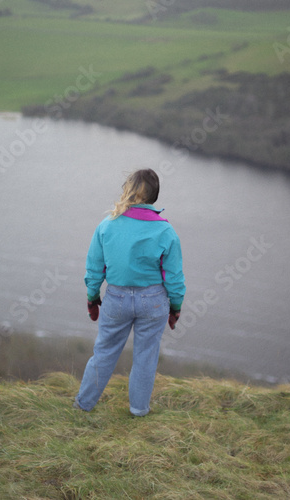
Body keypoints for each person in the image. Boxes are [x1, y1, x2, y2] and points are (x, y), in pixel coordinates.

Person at [74, 168, 185, 417]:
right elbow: (174, 278)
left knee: (104, 352)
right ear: (154, 196)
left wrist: (93, 298)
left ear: (127, 190)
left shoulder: (107, 225)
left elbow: (94, 269)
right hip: (154, 302)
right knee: (146, 357)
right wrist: (175, 308)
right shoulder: (166, 232)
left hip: (116, 300)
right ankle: (138, 410)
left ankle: (83, 405)